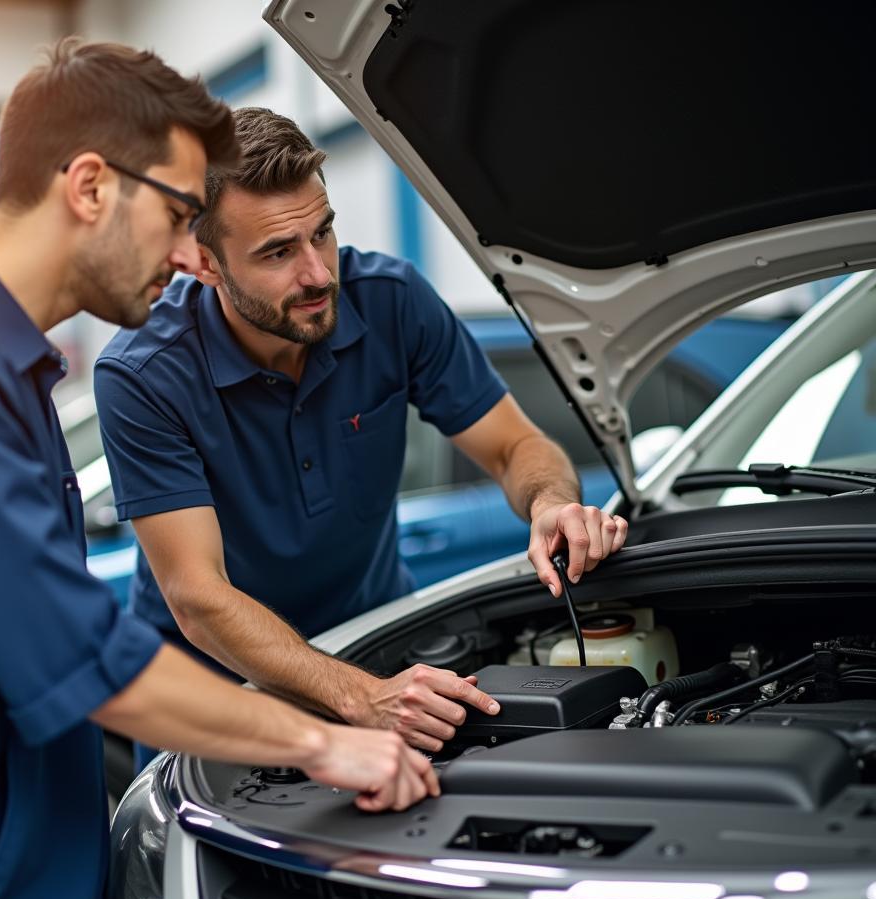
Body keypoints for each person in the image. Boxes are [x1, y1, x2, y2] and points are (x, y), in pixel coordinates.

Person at [0, 42, 438, 899]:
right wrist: (326, 741)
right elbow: (87, 659)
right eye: (176, 215)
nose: (183, 256)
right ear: (88, 184)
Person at [95, 107, 628, 772]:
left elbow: (513, 446)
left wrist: (550, 502)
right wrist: (359, 699)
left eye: (322, 233)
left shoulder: (391, 301)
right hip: (215, 692)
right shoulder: (143, 374)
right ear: (204, 262)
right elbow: (198, 596)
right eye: (278, 253)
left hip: (378, 647)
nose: (318, 273)